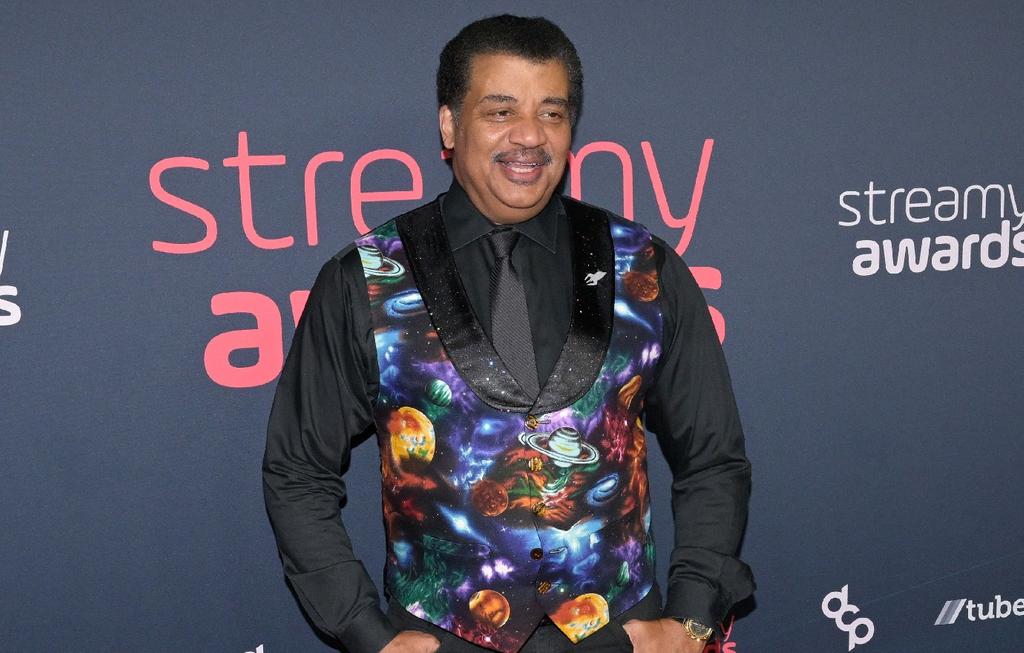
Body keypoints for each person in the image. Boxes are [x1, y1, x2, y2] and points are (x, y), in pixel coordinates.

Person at [263, 14, 754, 653]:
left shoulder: (644, 266)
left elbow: (713, 456)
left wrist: (692, 619)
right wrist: (364, 632)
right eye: (500, 112)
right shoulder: (366, 279)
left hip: (620, 632)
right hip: (441, 635)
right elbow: (298, 470)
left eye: (551, 113)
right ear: (449, 126)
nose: (529, 135)